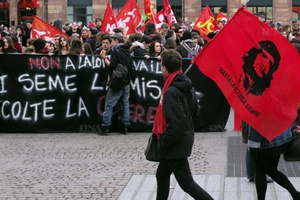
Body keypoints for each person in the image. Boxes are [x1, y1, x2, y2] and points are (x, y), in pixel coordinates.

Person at [153, 49, 213, 200]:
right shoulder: (185, 83)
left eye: (161, 64)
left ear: (165, 67)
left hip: (175, 142)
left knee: (186, 183)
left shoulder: (172, 91)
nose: (161, 67)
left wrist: (165, 141)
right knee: (162, 175)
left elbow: (177, 123)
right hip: (181, 138)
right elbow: (194, 111)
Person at [248, 124, 300, 200]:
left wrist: (252, 143)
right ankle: (295, 194)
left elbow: (255, 125)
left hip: (264, 142)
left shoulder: (261, 111)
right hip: (282, 138)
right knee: (272, 170)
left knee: (260, 171)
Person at [99, 33, 132, 136]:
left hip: (117, 83)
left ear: (116, 41)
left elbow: (112, 66)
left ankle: (105, 127)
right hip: (126, 82)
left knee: (109, 104)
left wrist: (104, 58)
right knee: (125, 103)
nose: (111, 43)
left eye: (112, 41)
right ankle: (125, 126)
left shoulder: (116, 52)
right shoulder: (127, 51)